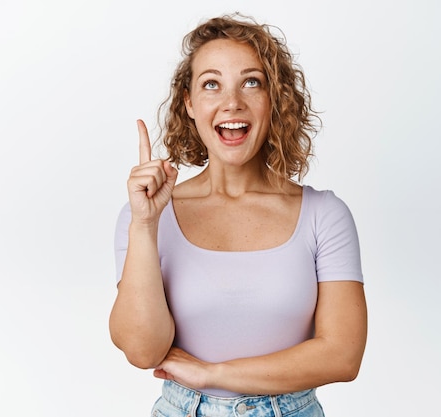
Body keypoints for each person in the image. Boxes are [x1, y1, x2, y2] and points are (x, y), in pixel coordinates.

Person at [109, 13, 367, 417]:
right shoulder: (146, 215)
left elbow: (342, 356)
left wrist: (214, 374)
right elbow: (143, 351)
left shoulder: (324, 215)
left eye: (252, 82)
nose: (232, 102)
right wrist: (145, 224)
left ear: (273, 100)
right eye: (211, 84)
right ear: (189, 104)